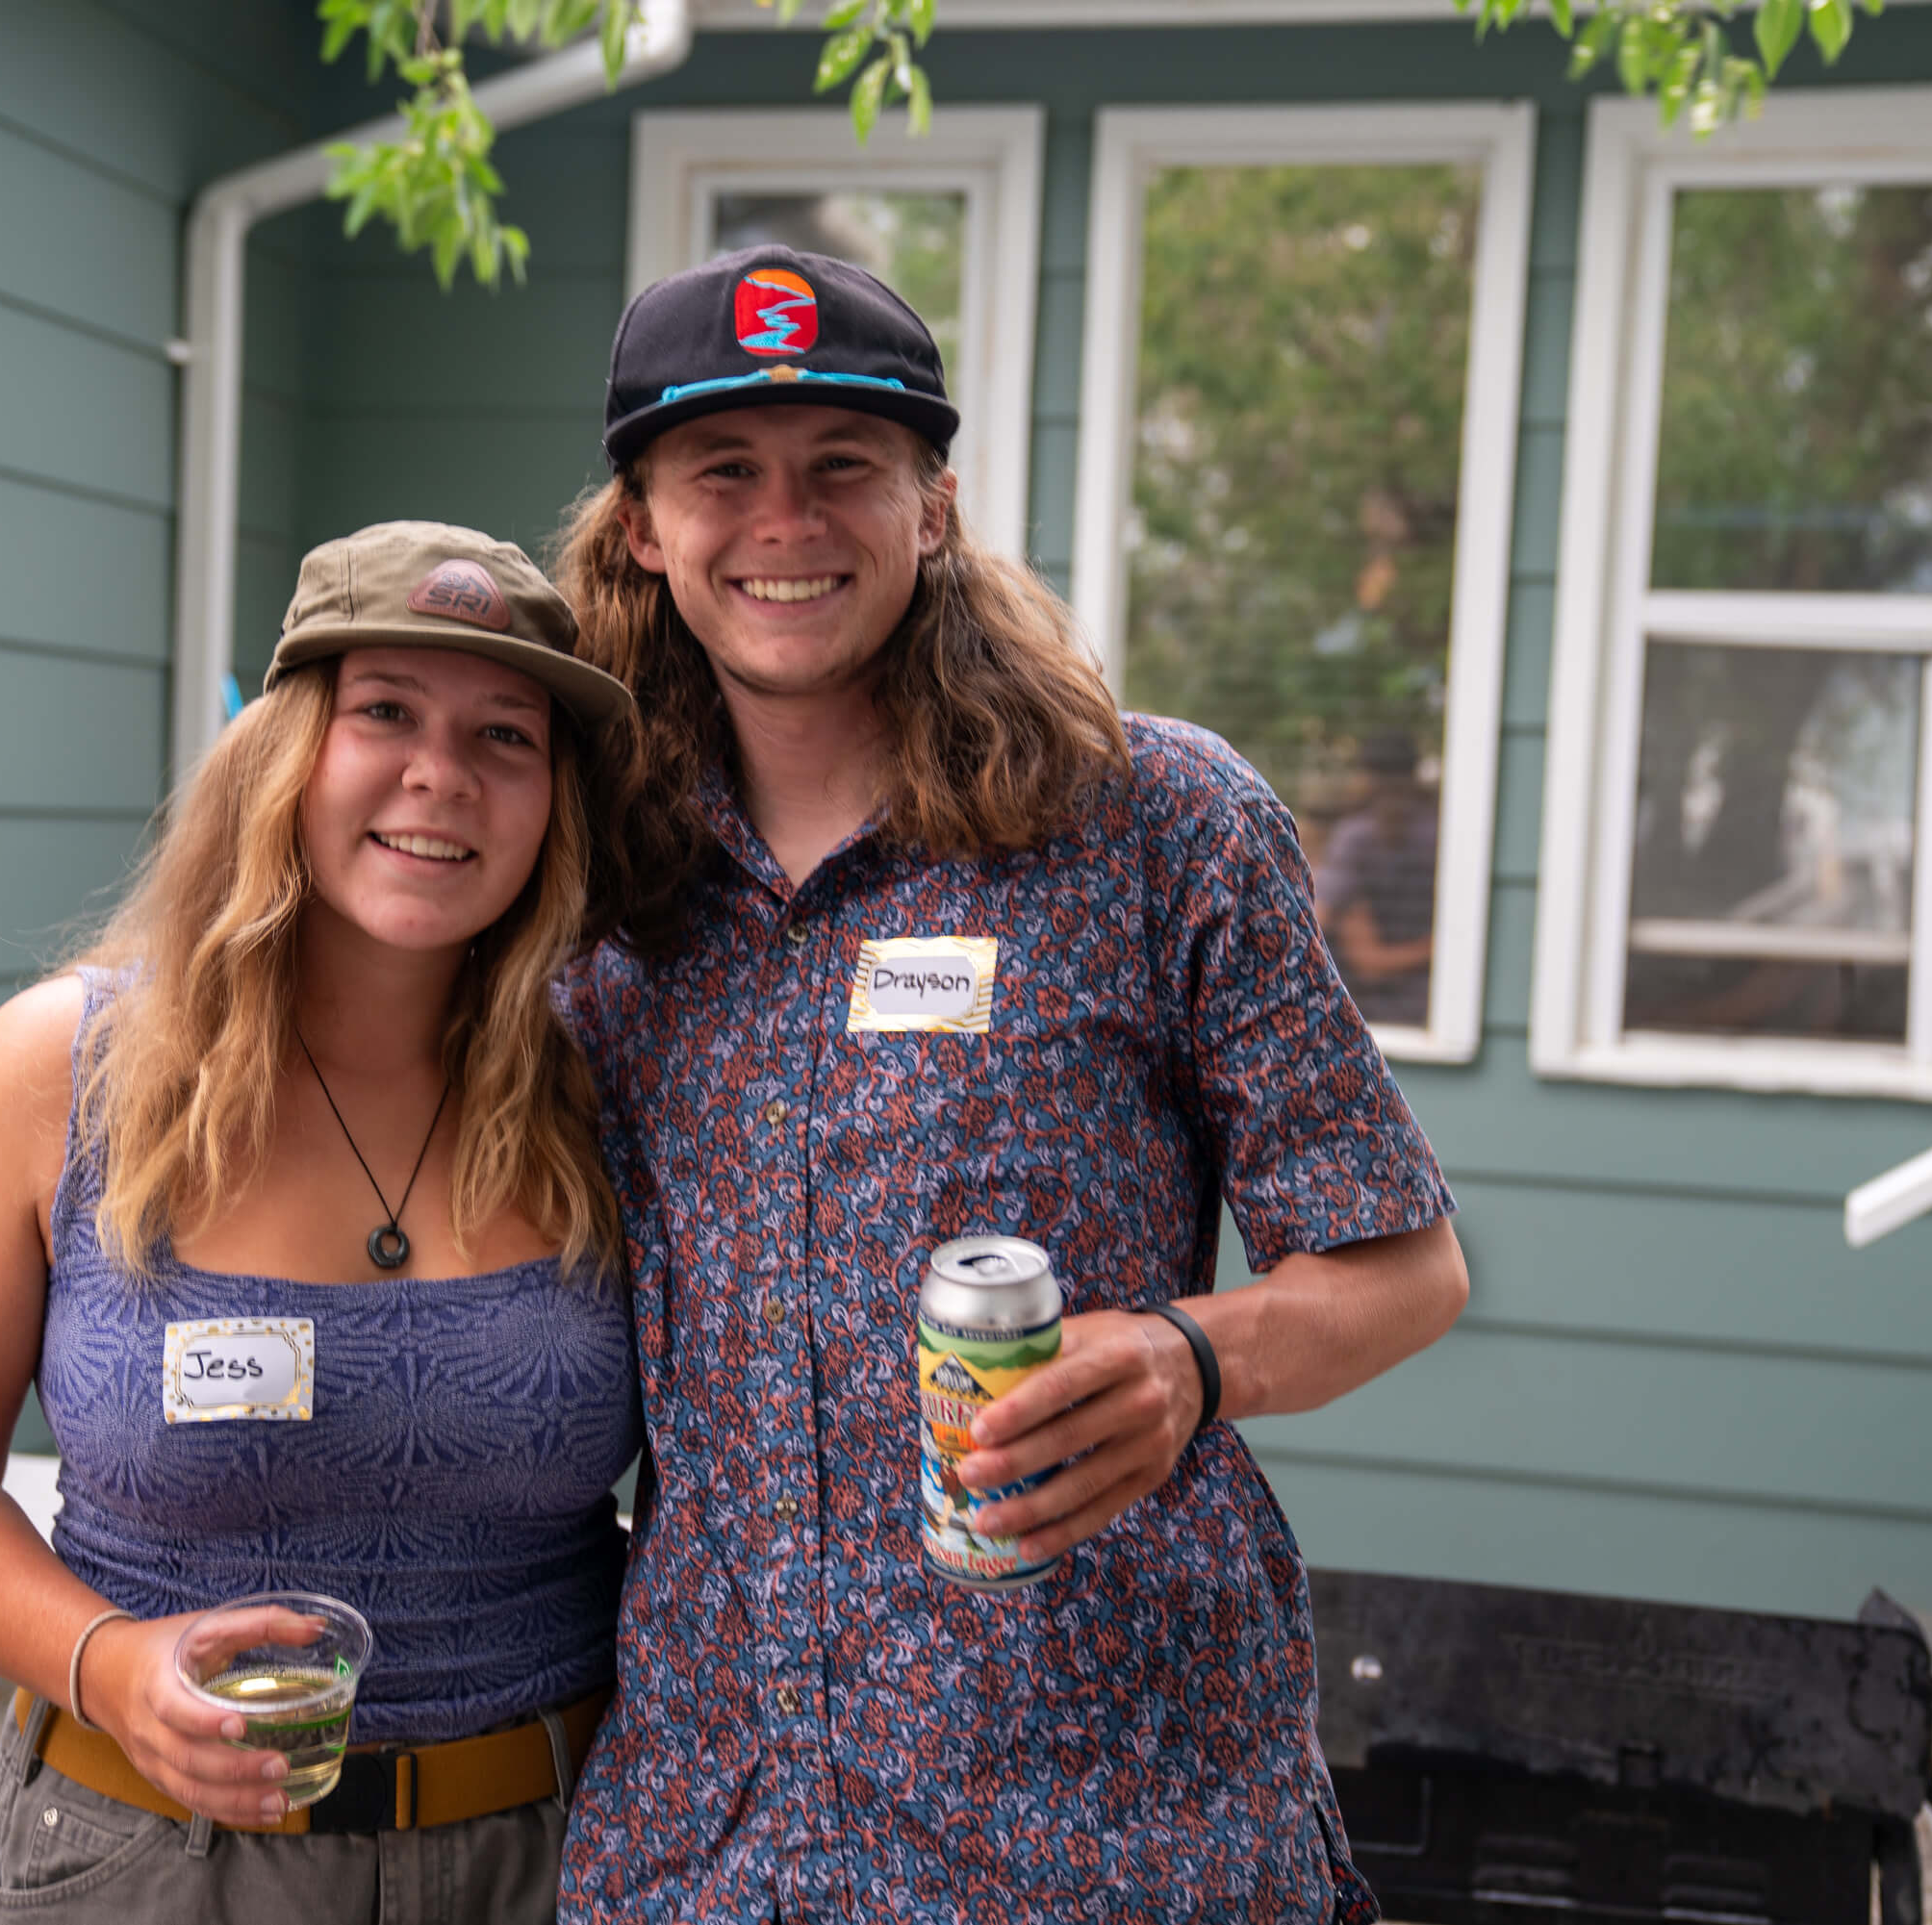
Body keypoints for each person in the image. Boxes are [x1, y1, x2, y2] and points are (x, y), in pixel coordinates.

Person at [549, 246, 1470, 1923]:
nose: (787, 520)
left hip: (1104, 1822)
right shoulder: (596, 892)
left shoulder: (1155, 823)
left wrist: (1195, 1356)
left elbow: (1405, 1271)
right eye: (725, 474)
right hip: (710, 1832)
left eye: (846, 467)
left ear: (937, 506)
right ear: (641, 525)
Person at [0, 521, 640, 1923]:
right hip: (153, 1859)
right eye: (383, 712)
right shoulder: (61, 1075)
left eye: (503, 736)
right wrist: (107, 1666)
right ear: (283, 753)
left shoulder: (610, 1084)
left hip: (556, 1854)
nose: (438, 775)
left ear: (551, 801)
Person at [1316, 727, 1439, 1027]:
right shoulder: (1357, 841)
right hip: (1383, 1008)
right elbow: (1368, 961)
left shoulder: (1432, 838)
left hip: (1415, 1007)